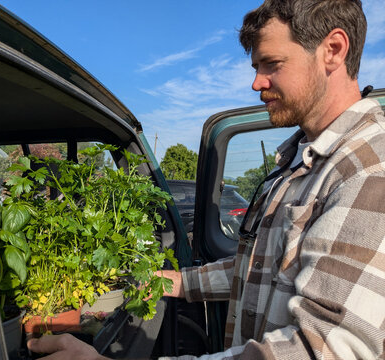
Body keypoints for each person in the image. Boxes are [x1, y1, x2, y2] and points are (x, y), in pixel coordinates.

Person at [27, 0, 385, 358]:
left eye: (271, 64)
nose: (256, 82)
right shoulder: (299, 159)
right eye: (256, 66)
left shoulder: (367, 171)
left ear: (333, 50)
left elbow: (325, 350)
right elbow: (262, 268)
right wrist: (181, 281)